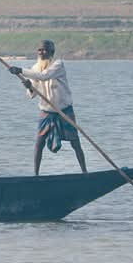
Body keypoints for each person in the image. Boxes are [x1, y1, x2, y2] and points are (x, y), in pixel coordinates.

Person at [8, 39, 87, 176]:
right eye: (39, 50)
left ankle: (85, 172)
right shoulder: (35, 68)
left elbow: (44, 76)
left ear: (51, 52)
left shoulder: (58, 65)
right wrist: (29, 87)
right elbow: (32, 94)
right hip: (47, 112)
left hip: (64, 111)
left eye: (44, 50)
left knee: (75, 142)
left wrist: (20, 70)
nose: (41, 52)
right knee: (39, 143)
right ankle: (36, 175)